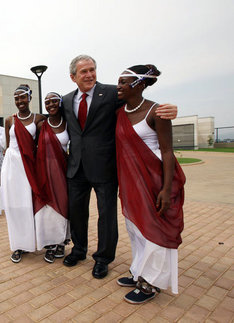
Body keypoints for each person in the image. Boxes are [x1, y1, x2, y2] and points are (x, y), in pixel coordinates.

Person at [61, 55, 178, 279]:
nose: (89, 75)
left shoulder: (112, 93)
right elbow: (50, 121)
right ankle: (78, 250)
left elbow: (139, 102)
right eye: (83, 71)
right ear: (73, 77)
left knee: (106, 215)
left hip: (105, 167)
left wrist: (171, 109)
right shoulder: (67, 101)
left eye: (92, 69)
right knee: (77, 212)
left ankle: (103, 259)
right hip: (76, 168)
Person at [115, 65, 185, 304]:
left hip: (153, 180)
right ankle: (139, 271)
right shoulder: (120, 111)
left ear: (140, 84)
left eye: (124, 82)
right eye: (119, 82)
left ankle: (151, 283)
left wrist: (166, 189)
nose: (119, 86)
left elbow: (167, 151)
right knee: (135, 228)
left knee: (153, 229)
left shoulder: (157, 112)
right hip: (130, 181)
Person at [2, 84, 46, 262]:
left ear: (29, 98)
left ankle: (30, 242)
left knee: (27, 205)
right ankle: (17, 245)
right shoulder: (9, 120)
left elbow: (42, 148)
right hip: (11, 165)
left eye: (22, 97)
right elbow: (7, 146)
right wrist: (1, 172)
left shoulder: (39, 119)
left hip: (28, 166)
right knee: (12, 206)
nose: (19, 101)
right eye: (16, 98)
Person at [33, 92, 70, 263]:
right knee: (47, 209)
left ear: (61, 103)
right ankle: (50, 244)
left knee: (61, 207)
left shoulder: (69, 124)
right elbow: (33, 147)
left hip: (62, 173)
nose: (51, 104)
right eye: (47, 102)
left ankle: (61, 242)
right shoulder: (41, 125)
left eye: (54, 101)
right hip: (43, 171)